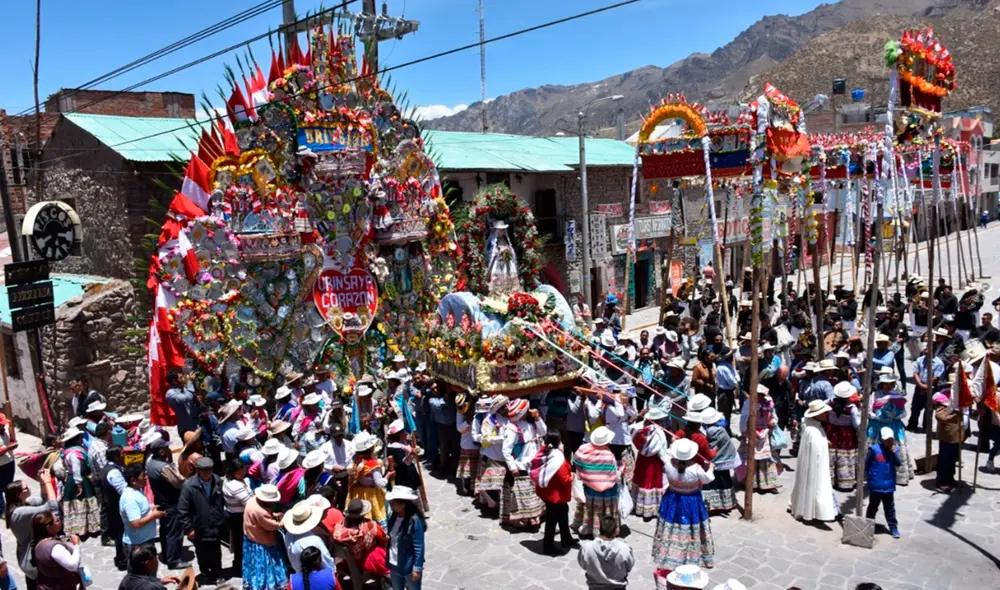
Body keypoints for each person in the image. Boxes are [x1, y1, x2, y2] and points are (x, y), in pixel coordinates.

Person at [651, 438, 715, 570]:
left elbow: (665, 454)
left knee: (672, 522)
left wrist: (673, 443)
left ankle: (669, 548)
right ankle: (693, 551)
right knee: (691, 524)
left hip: (672, 497)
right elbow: (708, 479)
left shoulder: (668, 465)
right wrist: (711, 469)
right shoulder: (696, 469)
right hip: (691, 500)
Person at [6, 474, 59, 590]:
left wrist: (41, 482)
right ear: (19, 494)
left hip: (34, 556)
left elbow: (43, 499)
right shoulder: (19, 513)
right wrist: (48, 482)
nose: (29, 488)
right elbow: (51, 506)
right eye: (26, 488)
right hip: (31, 560)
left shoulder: (25, 503)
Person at [789, 400, 839, 522]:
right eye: (824, 413)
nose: (826, 415)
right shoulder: (812, 430)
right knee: (816, 485)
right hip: (815, 466)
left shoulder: (812, 425)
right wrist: (824, 443)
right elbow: (816, 449)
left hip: (815, 463)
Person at [178, 457, 225, 583]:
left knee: (215, 551)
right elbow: (183, 509)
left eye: (209, 469)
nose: (207, 473)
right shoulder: (189, 486)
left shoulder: (217, 481)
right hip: (199, 526)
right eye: (204, 470)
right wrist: (188, 528)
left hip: (215, 524)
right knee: (202, 552)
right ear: (198, 470)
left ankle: (217, 574)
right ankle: (205, 572)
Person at [501, 399, 546, 529]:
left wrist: (537, 418)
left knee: (534, 493)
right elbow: (506, 450)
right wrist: (512, 467)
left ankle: (536, 516)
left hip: (535, 464)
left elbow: (543, 432)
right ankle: (529, 520)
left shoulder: (530, 424)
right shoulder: (512, 429)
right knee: (525, 495)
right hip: (522, 466)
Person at [145, 439, 188, 569]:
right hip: (171, 502)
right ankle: (174, 560)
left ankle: (166, 554)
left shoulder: (151, 463)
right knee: (174, 532)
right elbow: (179, 482)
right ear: (162, 451)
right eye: (167, 448)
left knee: (165, 531)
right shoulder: (164, 467)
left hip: (160, 500)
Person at [531, 432, 575, 555]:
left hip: (549, 492)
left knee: (563, 514)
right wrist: (572, 478)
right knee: (552, 520)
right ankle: (548, 546)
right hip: (556, 494)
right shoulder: (558, 458)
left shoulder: (545, 452)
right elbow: (563, 479)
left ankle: (566, 538)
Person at [572, 426, 619, 539]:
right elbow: (612, 474)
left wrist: (587, 475)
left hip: (589, 488)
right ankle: (604, 529)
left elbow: (576, 462)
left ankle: (587, 527)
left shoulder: (584, 450)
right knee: (604, 509)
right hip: (607, 491)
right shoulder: (608, 455)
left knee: (589, 508)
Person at [242, 485, 287, 590]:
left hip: (250, 537)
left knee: (252, 565)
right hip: (261, 541)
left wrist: (274, 515)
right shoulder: (261, 513)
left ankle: (251, 583)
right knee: (265, 567)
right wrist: (283, 520)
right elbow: (272, 526)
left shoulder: (252, 500)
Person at [737, 385, 780, 493]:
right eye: (757, 395)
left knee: (766, 459)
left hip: (765, 433)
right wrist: (744, 430)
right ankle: (750, 482)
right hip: (751, 433)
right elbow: (744, 418)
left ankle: (768, 483)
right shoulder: (748, 403)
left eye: (761, 395)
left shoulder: (768, 403)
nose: (759, 397)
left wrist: (772, 422)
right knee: (751, 458)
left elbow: (774, 416)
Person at [332, 499, 389, 578]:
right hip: (362, 560)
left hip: (348, 561)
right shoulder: (370, 525)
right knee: (381, 551)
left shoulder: (339, 527)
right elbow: (384, 539)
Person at [630, 408, 670, 521]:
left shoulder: (641, 428)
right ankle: (651, 509)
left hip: (642, 459)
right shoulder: (659, 432)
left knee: (641, 480)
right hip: (654, 462)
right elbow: (661, 451)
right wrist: (668, 462)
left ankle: (639, 506)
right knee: (651, 482)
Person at [120, 465, 162, 567]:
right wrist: (153, 516)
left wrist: (151, 509)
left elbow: (140, 512)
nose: (146, 478)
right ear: (133, 480)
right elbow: (135, 523)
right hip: (138, 544)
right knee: (141, 577)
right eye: (143, 476)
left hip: (145, 540)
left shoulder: (138, 491)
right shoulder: (130, 498)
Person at [577, 515, 634, 590]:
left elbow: (583, 565)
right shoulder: (625, 549)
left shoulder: (586, 548)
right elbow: (629, 567)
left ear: (599, 529)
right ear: (615, 531)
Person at [386, 486, 426, 590]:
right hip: (394, 563)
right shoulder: (394, 517)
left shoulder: (414, 521)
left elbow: (419, 547)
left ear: (403, 504)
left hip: (408, 566)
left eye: (393, 502)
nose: (391, 504)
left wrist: (417, 569)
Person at [700, 408, 739, 514]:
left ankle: (712, 504)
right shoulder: (720, 430)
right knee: (723, 479)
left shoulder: (706, 431)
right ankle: (726, 503)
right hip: (724, 457)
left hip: (713, 458)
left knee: (712, 481)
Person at [345, 432, 389, 525]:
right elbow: (379, 484)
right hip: (372, 495)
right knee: (375, 517)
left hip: (358, 494)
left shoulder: (355, 462)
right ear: (371, 448)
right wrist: (388, 476)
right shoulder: (373, 464)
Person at [30, 512, 82, 590]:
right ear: (48, 527)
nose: (59, 521)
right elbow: (72, 565)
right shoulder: (54, 547)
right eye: (56, 520)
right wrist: (76, 545)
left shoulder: (39, 543)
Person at [865, 427, 901, 539]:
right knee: (873, 507)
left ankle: (893, 527)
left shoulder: (895, 450)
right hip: (876, 484)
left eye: (891, 440)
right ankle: (868, 526)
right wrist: (870, 477)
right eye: (887, 440)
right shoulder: (874, 449)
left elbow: (898, 463)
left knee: (889, 508)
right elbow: (867, 464)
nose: (889, 442)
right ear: (882, 439)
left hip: (889, 485)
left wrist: (894, 452)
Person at [283, 501, 336, 573]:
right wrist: (332, 573)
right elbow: (326, 561)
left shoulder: (288, 536)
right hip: (318, 577)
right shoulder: (314, 540)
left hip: (299, 574)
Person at [826, 382, 861, 491]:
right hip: (847, 435)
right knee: (845, 457)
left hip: (831, 432)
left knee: (832, 456)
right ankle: (845, 481)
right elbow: (857, 424)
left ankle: (831, 480)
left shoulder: (829, 403)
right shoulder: (852, 408)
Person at [100, 445, 128, 570]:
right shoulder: (113, 472)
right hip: (116, 508)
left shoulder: (110, 468)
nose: (124, 455)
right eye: (122, 453)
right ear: (117, 456)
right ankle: (122, 560)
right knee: (120, 534)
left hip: (112, 506)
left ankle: (121, 557)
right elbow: (123, 490)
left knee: (119, 534)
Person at [222, 458, 251, 573]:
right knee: (241, 544)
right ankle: (240, 567)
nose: (243, 473)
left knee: (239, 543)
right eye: (240, 471)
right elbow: (249, 502)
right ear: (232, 472)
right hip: (238, 518)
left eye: (243, 469)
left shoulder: (229, 480)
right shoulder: (235, 486)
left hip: (234, 515)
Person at [934, 392, 963, 493]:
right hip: (947, 435)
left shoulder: (961, 398)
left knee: (953, 459)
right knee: (944, 459)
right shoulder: (944, 400)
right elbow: (940, 416)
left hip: (958, 434)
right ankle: (942, 481)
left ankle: (950, 478)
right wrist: (954, 416)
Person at [165, 370, 199, 438]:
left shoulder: (184, 388)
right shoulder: (171, 394)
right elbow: (188, 397)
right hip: (186, 429)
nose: (184, 378)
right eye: (181, 377)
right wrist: (189, 382)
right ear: (174, 381)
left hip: (196, 424)